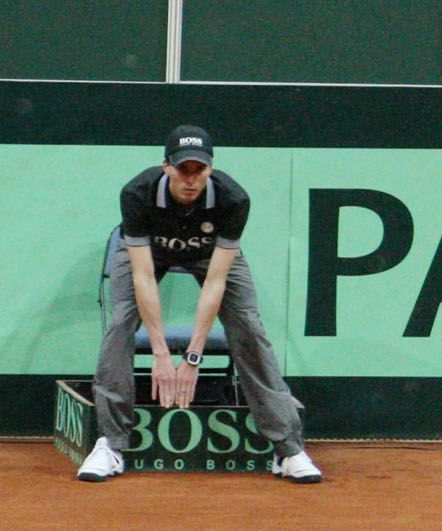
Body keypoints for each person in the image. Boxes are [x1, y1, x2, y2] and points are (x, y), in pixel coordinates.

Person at [77, 124, 321, 484]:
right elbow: (143, 277)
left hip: (210, 255)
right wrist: (161, 355)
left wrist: (192, 357)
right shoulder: (137, 193)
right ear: (166, 167)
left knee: (249, 328)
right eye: (183, 169)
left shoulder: (233, 199)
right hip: (148, 253)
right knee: (120, 324)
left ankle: (288, 449)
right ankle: (111, 445)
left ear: (210, 169)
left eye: (199, 170)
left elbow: (216, 282)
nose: (191, 179)